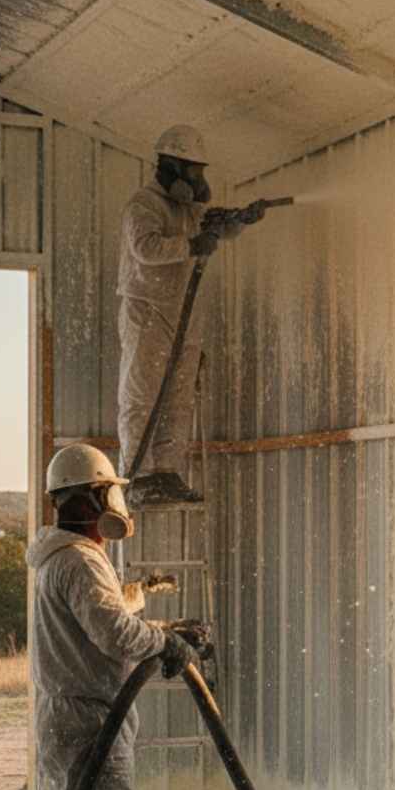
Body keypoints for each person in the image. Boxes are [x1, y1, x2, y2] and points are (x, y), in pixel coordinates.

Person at [27, 443, 205, 790]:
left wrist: (152, 623)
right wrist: (168, 643)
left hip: (72, 715)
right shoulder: (80, 560)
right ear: (91, 497)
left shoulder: (60, 556)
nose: (116, 503)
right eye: (110, 492)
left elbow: (102, 618)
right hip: (89, 722)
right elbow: (111, 632)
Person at [115, 124, 260, 507]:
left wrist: (239, 220)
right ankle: (137, 474)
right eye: (193, 171)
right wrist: (192, 244)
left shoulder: (187, 210)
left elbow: (211, 229)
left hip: (183, 310)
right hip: (147, 307)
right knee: (142, 393)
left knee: (178, 396)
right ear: (171, 167)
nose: (198, 179)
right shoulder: (143, 205)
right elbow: (146, 248)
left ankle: (166, 471)